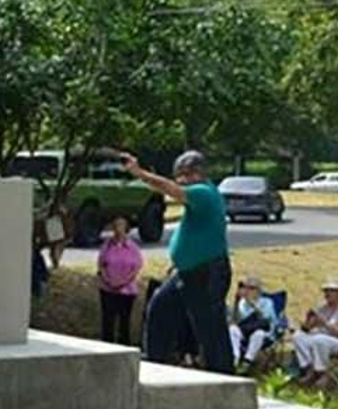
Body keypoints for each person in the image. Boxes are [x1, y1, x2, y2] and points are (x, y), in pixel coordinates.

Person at [121, 150, 233, 374]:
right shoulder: (198, 198)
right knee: (159, 308)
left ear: (198, 173)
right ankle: (153, 363)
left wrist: (139, 173)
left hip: (208, 273)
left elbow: (171, 190)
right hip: (187, 272)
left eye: (183, 175)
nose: (180, 180)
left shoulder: (204, 193)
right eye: (178, 175)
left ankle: (223, 375)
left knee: (209, 328)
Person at [292, 279, 338, 385]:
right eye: (326, 291)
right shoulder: (322, 309)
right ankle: (309, 368)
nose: (327, 294)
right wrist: (308, 322)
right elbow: (307, 329)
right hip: (319, 339)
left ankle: (321, 373)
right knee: (298, 336)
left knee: (320, 339)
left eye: (331, 291)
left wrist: (326, 324)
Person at [95, 216, 143, 345]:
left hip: (126, 290)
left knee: (124, 321)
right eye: (115, 226)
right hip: (107, 288)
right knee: (108, 321)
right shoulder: (107, 245)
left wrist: (123, 282)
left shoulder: (133, 247)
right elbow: (101, 263)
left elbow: (137, 267)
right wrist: (107, 279)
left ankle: (124, 345)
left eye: (121, 226)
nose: (118, 229)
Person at [228, 276, 277, 368]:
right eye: (246, 287)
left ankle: (247, 361)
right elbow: (235, 320)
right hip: (245, 331)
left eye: (251, 288)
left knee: (259, 333)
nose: (248, 290)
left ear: (259, 290)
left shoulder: (267, 302)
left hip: (263, 332)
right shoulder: (242, 303)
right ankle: (235, 358)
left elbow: (265, 319)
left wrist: (252, 304)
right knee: (232, 329)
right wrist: (236, 301)